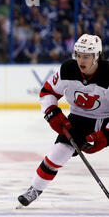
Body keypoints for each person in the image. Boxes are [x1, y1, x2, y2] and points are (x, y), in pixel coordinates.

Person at [18, 34, 109, 206]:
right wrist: (52, 113)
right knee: (56, 155)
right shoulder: (68, 69)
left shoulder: (107, 74)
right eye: (78, 55)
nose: (81, 60)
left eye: (86, 56)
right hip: (78, 119)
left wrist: (105, 135)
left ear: (97, 56)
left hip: (106, 119)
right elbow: (47, 92)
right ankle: (34, 189)